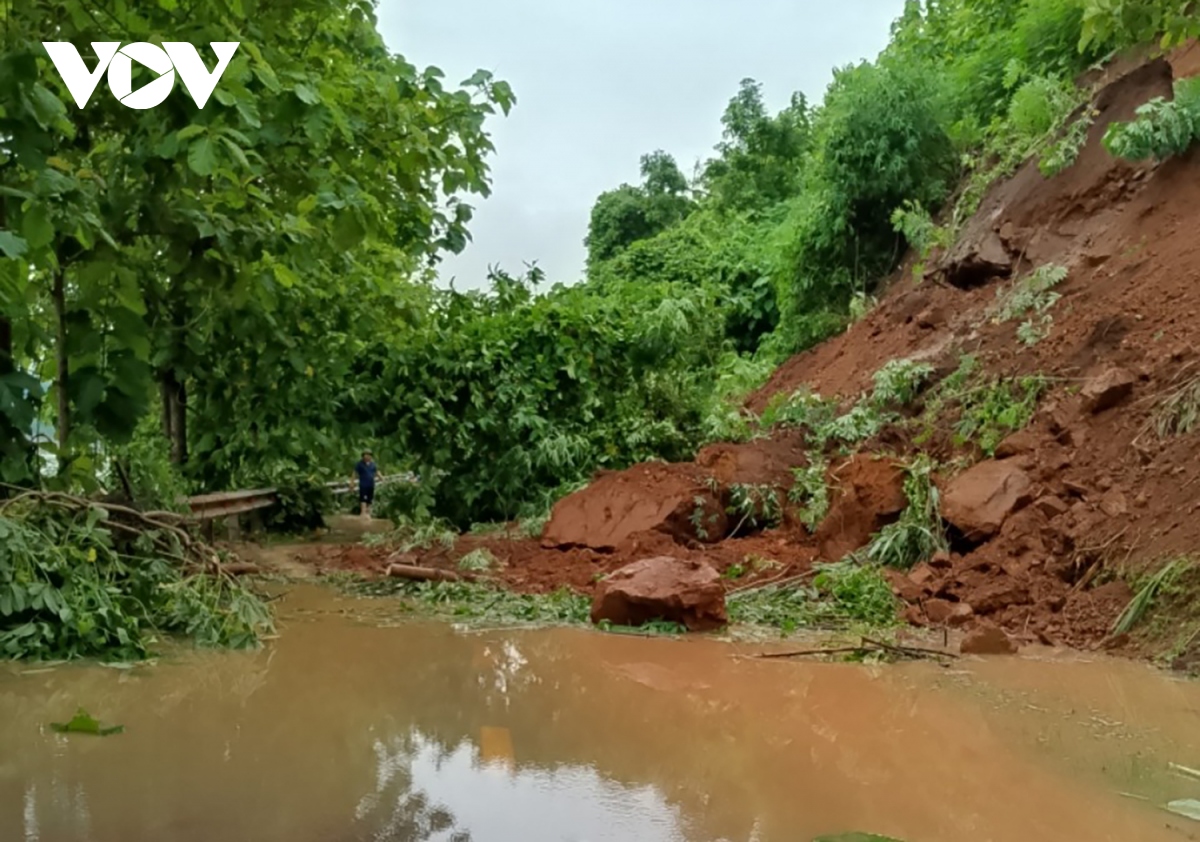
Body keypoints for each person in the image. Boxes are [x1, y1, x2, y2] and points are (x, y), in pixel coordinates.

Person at [351, 450, 383, 518]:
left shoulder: (373, 464)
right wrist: (352, 483)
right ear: (363, 456)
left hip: (371, 484)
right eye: (366, 455)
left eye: (369, 455)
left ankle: (368, 513)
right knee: (363, 499)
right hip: (363, 484)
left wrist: (382, 478)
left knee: (370, 499)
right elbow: (354, 473)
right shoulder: (359, 464)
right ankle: (363, 513)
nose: (367, 456)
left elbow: (377, 472)